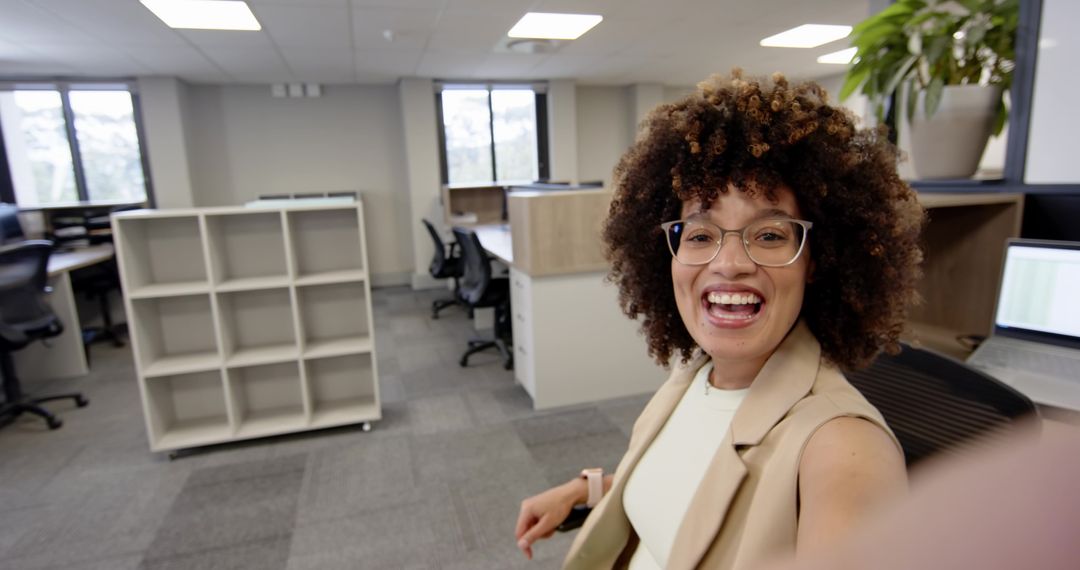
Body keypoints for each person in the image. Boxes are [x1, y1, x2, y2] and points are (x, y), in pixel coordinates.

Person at [514, 69, 925, 569]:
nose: (729, 263)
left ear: (817, 261)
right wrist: (588, 489)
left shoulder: (843, 450)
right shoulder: (696, 372)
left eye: (770, 235)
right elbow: (690, 483)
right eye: (700, 235)